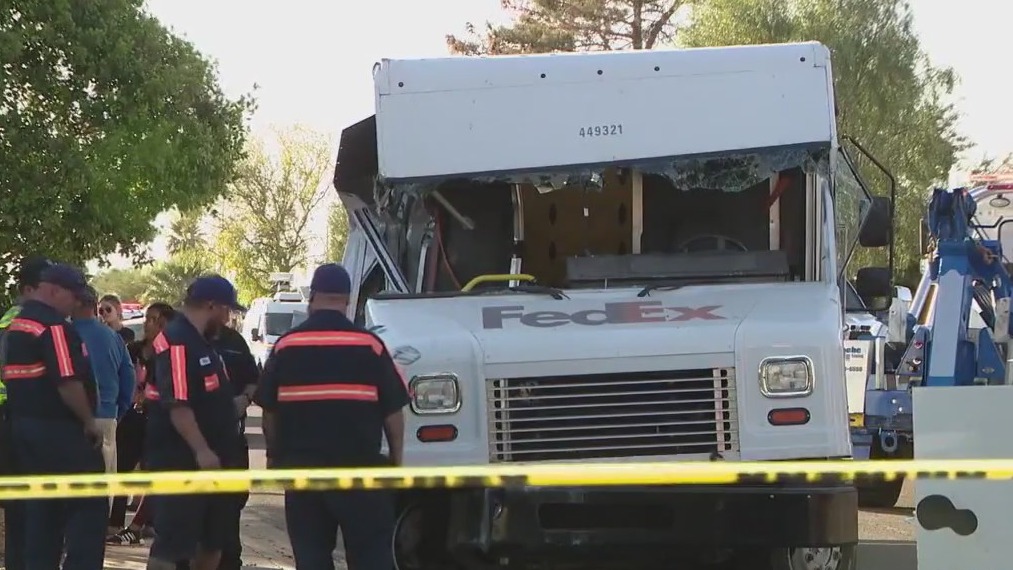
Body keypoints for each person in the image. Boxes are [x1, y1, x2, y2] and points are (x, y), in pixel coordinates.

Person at [255, 263, 410, 570]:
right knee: (371, 558)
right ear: (348, 300)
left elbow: (269, 412)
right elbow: (394, 412)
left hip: (304, 474)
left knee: (311, 557)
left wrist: (273, 455)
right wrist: (396, 460)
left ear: (313, 297)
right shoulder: (370, 345)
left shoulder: (287, 346)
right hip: (361, 472)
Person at [3, 263, 107, 570]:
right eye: (73, 296)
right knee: (88, 507)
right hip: (60, 432)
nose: (76, 304)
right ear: (54, 290)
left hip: (23, 430)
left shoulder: (18, 324)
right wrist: (89, 421)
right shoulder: (53, 326)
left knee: (41, 515)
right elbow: (67, 381)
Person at [144, 276, 247, 570]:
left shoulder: (203, 342)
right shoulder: (177, 341)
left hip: (214, 461)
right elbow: (178, 403)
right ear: (211, 305)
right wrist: (201, 449)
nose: (227, 318)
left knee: (214, 541)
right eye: (226, 310)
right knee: (173, 544)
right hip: (181, 461)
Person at [0, 254, 53, 570]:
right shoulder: (30, 324)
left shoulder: (7, 321)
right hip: (22, 419)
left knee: (17, 507)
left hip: (12, 419)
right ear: (30, 288)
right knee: (31, 507)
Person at [108, 302, 176, 544]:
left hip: (157, 418)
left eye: (154, 319)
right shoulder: (133, 349)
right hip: (131, 417)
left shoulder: (170, 353)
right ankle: (115, 522)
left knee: (154, 471)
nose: (148, 324)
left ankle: (145, 524)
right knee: (122, 468)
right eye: (147, 318)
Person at [72, 285, 135, 516]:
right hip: (106, 416)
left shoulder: (64, 334)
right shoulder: (112, 337)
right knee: (104, 480)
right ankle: (97, 529)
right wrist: (117, 411)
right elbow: (128, 378)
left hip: (71, 418)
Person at [207, 305, 258, 570]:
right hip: (193, 444)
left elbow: (253, 379)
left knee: (231, 503)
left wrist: (246, 398)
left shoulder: (235, 341)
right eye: (224, 308)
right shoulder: (184, 338)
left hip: (232, 441)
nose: (228, 316)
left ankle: (229, 559)